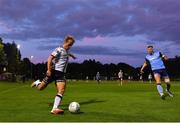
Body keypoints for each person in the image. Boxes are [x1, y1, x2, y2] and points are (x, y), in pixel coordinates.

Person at [31, 35, 76, 114]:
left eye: (71, 45)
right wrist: (48, 70)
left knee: (61, 90)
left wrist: (72, 56)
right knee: (40, 88)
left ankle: (54, 108)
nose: (70, 46)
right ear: (65, 42)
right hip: (53, 72)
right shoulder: (58, 49)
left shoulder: (67, 51)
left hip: (61, 74)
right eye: (69, 44)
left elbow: (67, 53)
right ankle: (37, 83)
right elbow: (50, 58)